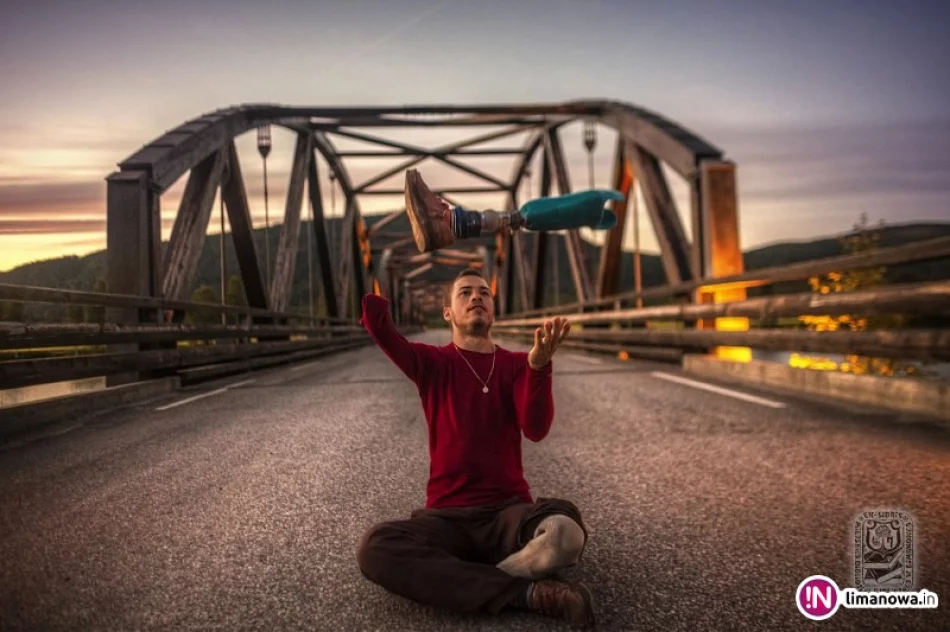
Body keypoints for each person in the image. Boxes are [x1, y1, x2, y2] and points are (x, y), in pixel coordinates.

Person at [356, 267, 596, 628]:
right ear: (447, 313)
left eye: (484, 292)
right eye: (464, 292)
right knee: (375, 548)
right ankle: (528, 593)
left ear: (493, 310)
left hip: (507, 514)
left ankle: (465, 582)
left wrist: (539, 367)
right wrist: (381, 272)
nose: (476, 297)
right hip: (447, 519)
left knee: (566, 532)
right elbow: (378, 324)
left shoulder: (518, 364)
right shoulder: (432, 363)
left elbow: (536, 430)